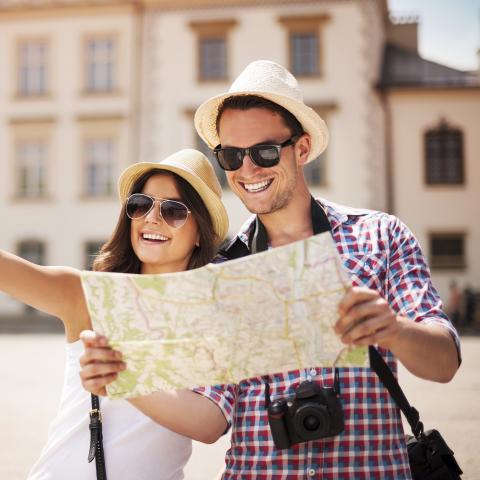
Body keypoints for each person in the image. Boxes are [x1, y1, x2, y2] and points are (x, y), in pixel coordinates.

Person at [80, 60, 461, 478]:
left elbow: (444, 364)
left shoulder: (380, 235)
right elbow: (210, 420)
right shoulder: (221, 271)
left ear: (301, 148)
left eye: (263, 152)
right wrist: (125, 375)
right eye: (230, 155)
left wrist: (393, 330)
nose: (247, 170)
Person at [0, 149, 230, 479]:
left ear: (199, 234)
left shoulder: (210, 315)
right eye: (141, 204)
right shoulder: (89, 294)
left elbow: (210, 424)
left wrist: (122, 379)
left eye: (174, 211)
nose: (152, 218)